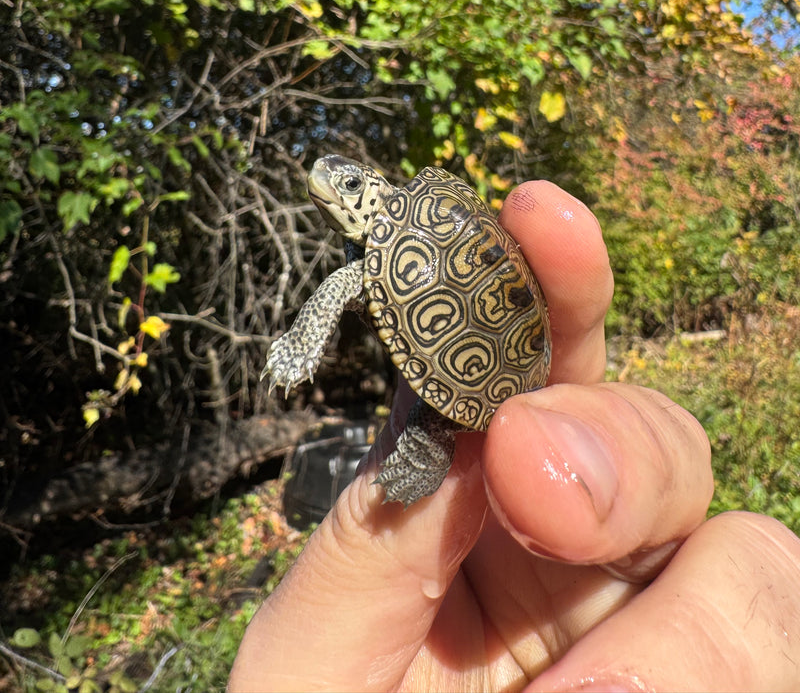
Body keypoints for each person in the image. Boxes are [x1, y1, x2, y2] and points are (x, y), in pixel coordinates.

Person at [229, 180, 800, 692]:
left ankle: (424, 459)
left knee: (434, 423)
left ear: (371, 191)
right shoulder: (430, 196)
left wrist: (303, 346)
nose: (329, 185)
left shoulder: (382, 246)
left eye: (349, 182)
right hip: (512, 353)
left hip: (485, 359)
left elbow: (343, 290)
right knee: (435, 417)